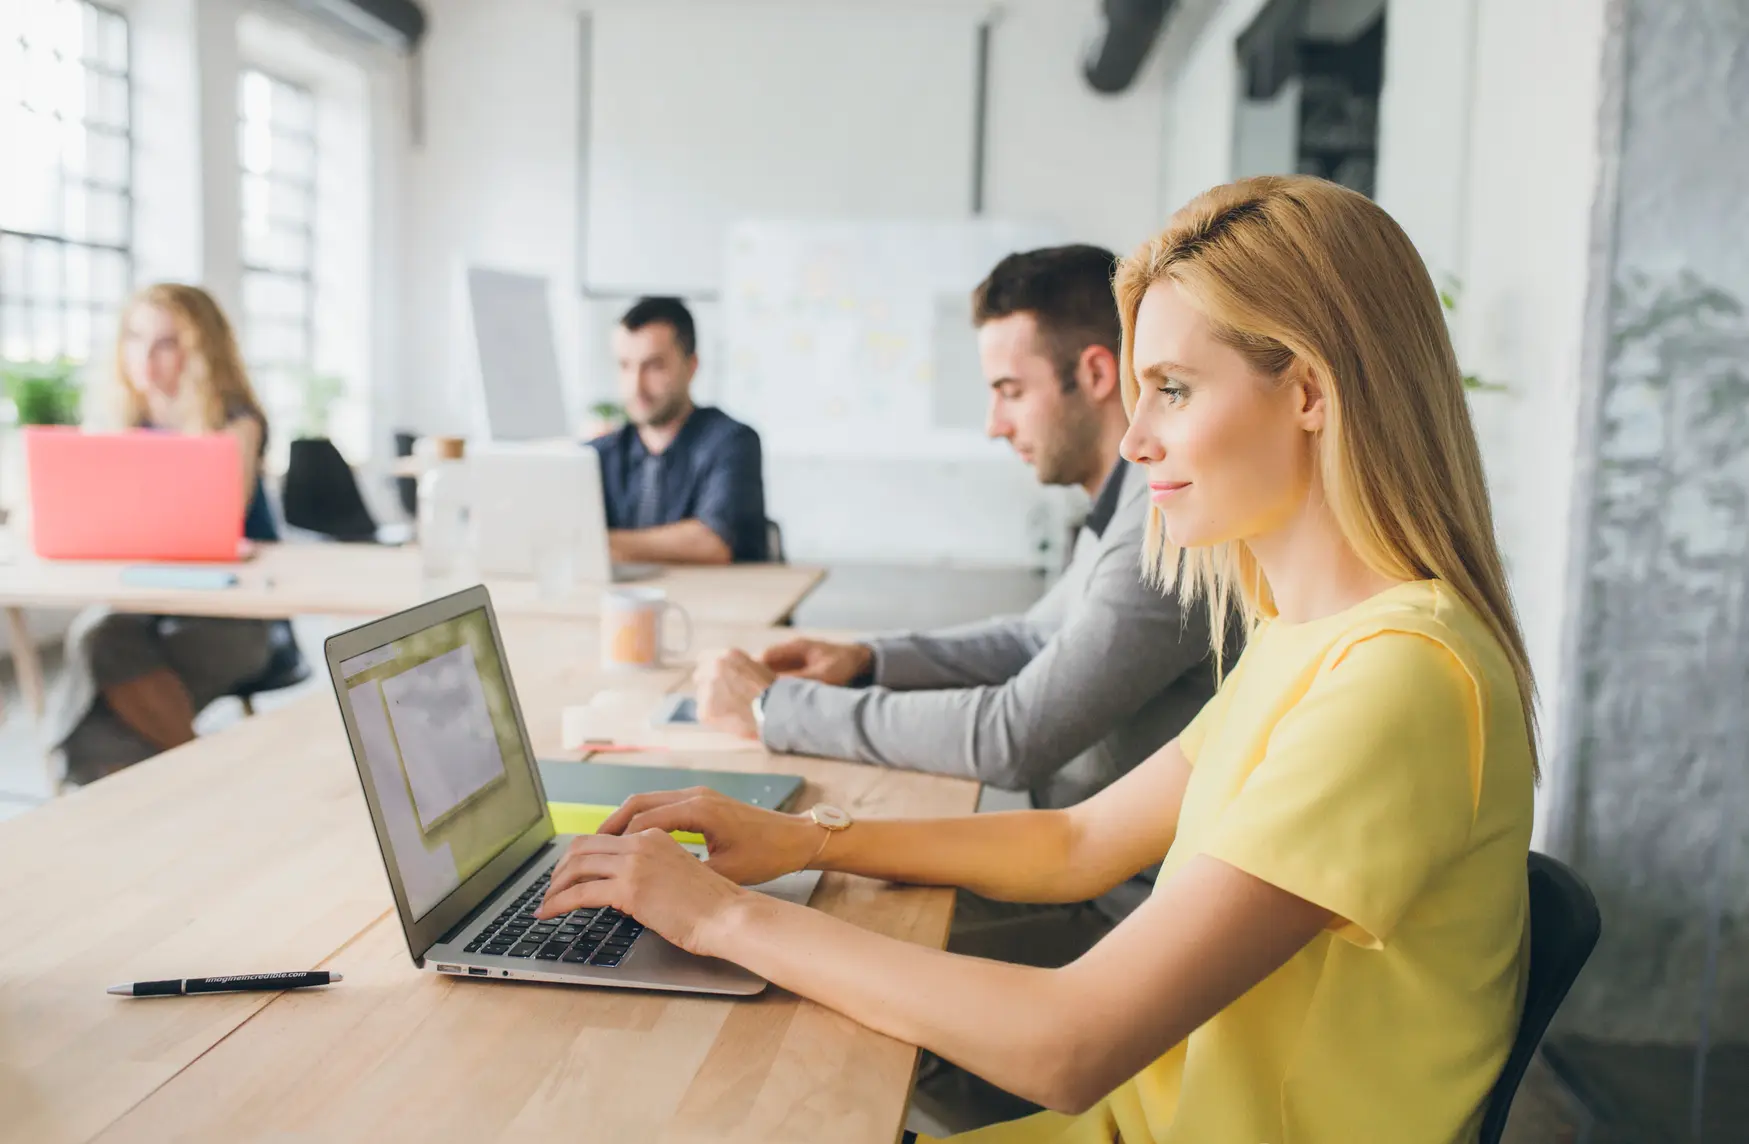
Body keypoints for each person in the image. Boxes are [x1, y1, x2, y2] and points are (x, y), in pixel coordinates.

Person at [538, 175, 1538, 1144]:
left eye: (1174, 391)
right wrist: (807, 843)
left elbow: (1072, 1042)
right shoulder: (1306, 636)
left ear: (1311, 392)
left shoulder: (1399, 679)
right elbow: (1079, 842)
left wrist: (721, 919)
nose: (1137, 440)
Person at [690, 246, 1221, 968]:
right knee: (813, 912)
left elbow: (1012, 735)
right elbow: (1036, 637)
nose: (993, 424)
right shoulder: (1128, 506)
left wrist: (776, 712)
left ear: (1094, 374)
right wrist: (868, 659)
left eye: (1008, 389)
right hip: (1079, 874)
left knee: (807, 943)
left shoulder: (1169, 529)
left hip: (1119, 918)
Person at [45, 284, 278, 786]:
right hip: (146, 607)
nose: (147, 357)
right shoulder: (122, 423)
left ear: (200, 351)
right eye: (135, 338)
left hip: (233, 615)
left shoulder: (237, 422)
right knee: (99, 635)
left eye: (168, 342)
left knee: (105, 720)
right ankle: (206, 780)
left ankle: (153, 781)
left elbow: (218, 514)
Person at [590, 296, 767, 564]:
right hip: (624, 603)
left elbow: (711, 543)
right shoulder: (602, 453)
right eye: (625, 366)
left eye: (654, 366)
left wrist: (596, 541)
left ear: (691, 366)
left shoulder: (732, 443)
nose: (635, 386)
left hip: (718, 601)